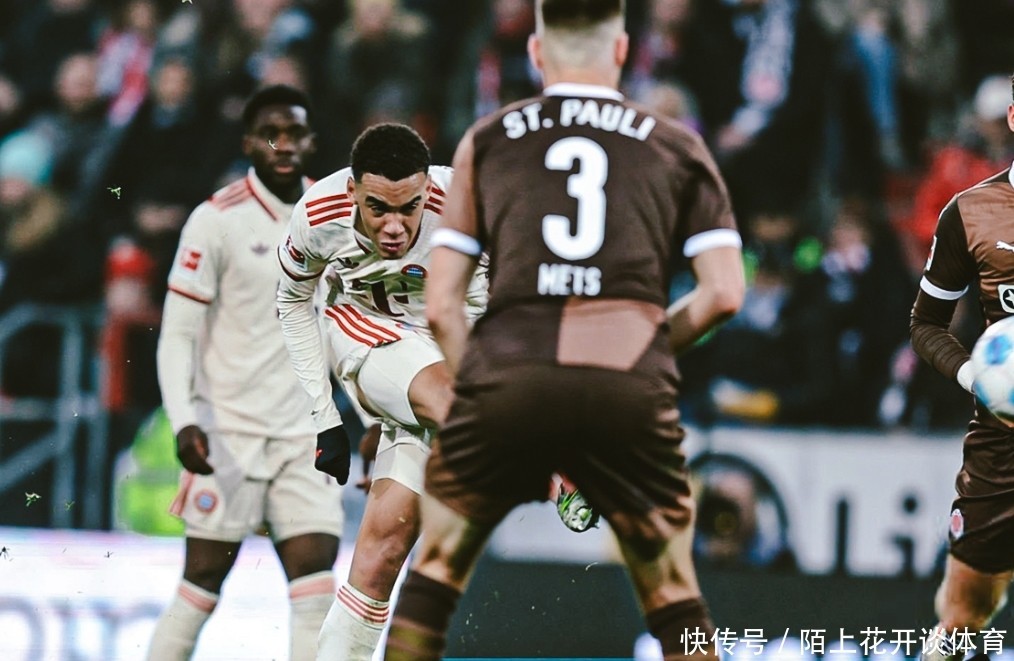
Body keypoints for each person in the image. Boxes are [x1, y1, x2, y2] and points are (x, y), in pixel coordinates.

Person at [382, 0, 746, 658]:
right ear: (622, 51)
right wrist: (646, 344)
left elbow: (441, 305)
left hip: (510, 371)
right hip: (627, 381)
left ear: (536, 53)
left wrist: (478, 390)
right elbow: (724, 293)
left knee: (434, 572)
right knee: (672, 592)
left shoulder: (489, 139)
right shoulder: (675, 144)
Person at [276, 122, 596, 660]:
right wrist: (324, 416)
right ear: (353, 190)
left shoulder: (473, 205)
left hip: (457, 352)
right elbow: (291, 300)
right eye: (378, 208)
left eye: (410, 208)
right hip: (368, 331)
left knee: (382, 551)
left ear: (428, 188)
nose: (395, 226)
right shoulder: (317, 215)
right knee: (446, 395)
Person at [148, 85, 342, 661]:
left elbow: (344, 327)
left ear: (312, 141)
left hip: (304, 434)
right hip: (228, 431)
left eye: (295, 133)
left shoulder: (334, 218)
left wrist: (365, 415)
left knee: (316, 584)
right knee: (202, 583)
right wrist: (184, 420)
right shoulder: (216, 219)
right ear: (248, 144)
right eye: (270, 134)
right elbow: (177, 334)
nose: (284, 145)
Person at [910, 74, 1014, 661]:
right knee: (962, 618)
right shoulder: (971, 213)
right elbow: (926, 325)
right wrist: (976, 376)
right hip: (1002, 450)